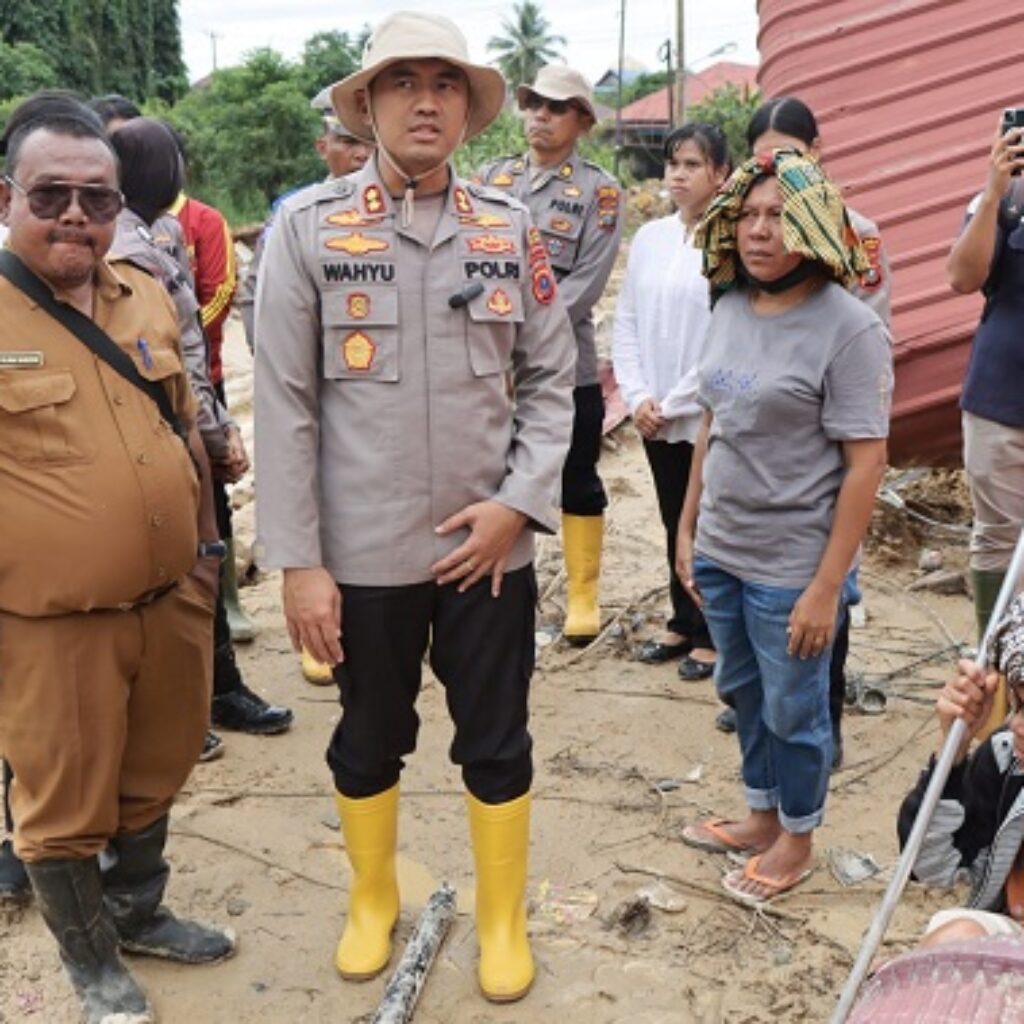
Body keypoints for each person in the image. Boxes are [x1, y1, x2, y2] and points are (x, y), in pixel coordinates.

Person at [254, 11, 575, 1002]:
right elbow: (285, 404)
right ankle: (368, 900)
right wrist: (300, 562)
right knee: (366, 736)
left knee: (497, 739)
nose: (424, 99)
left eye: (444, 83)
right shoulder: (310, 229)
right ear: (370, 103)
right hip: (364, 557)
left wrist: (517, 507)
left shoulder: (507, 228)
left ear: (469, 108)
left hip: (490, 553)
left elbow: (553, 379)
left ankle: (499, 918)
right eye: (403, 82)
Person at [0, 97, 235, 1024]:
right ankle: (95, 968)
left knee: (162, 762)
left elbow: (184, 429)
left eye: (95, 199)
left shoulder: (141, 291)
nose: (74, 216)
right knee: (62, 803)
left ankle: (138, 911)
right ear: (8, 195)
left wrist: (209, 552)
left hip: (173, 598)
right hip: (50, 625)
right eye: (50, 193)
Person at [677, 148, 892, 903]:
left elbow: (866, 465)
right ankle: (761, 814)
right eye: (749, 215)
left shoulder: (847, 329)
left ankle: (797, 836)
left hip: (791, 565)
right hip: (722, 550)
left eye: (778, 215)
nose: (758, 231)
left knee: (794, 707)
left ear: (814, 225)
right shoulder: (729, 305)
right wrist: (687, 524)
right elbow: (714, 421)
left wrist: (827, 587)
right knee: (742, 692)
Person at [714, 96, 895, 769]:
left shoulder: (854, 235)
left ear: (816, 153)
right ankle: (779, 731)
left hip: (824, 432)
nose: (780, 164)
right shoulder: (744, 266)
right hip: (764, 431)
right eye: (768, 151)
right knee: (773, 638)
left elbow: (863, 336)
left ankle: (824, 724)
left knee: (826, 603)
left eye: (792, 151)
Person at [109, 118, 293, 746]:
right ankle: (185, 707)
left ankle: (212, 694)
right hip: (164, 435)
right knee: (173, 576)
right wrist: (216, 438)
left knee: (203, 565)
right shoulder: (125, 247)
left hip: (188, 423)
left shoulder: (162, 231)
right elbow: (178, 356)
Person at [476, 64, 623, 645]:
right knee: (495, 475)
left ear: (582, 120)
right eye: (533, 103)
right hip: (487, 359)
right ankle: (508, 590)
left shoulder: (599, 192)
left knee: (576, 473)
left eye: (556, 107)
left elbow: (586, 281)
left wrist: (522, 334)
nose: (540, 115)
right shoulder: (490, 178)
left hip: (565, 362)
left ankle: (583, 598)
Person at [238, 85, 374, 685]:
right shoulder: (297, 215)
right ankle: (318, 633)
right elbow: (256, 300)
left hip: (368, 393)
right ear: (325, 146)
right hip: (311, 386)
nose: (355, 153)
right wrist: (278, 361)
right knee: (312, 503)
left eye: (364, 143)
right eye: (345, 141)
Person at [611, 123, 730, 681]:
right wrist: (638, 395)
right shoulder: (652, 238)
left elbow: (721, 338)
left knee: (704, 517)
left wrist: (677, 399)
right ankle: (682, 619)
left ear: (720, 174)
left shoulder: (728, 241)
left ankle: (712, 630)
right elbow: (628, 320)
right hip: (654, 410)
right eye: (672, 164)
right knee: (668, 514)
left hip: (700, 411)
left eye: (692, 164)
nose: (678, 175)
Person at [947, 111, 1024, 729]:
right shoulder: (1003, 197)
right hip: (1002, 405)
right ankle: (996, 686)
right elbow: (962, 276)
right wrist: (996, 192)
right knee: (998, 539)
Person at [898, 595, 1024, 946]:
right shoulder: (1007, 756)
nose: (1018, 726)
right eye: (1020, 703)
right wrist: (955, 746)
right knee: (951, 940)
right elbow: (931, 866)